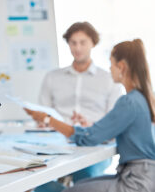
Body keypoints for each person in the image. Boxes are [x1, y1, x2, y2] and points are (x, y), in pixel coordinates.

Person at [30, 39, 155, 192]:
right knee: (77, 186)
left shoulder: (128, 102)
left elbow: (88, 137)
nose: (109, 69)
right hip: (141, 177)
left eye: (111, 64)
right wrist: (93, 128)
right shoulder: (141, 98)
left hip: (135, 182)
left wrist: (47, 119)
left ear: (121, 66)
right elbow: (113, 132)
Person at [25, 22, 122, 191]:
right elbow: (43, 113)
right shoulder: (52, 77)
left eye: (82, 42)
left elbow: (113, 124)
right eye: (73, 42)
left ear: (93, 43)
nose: (77, 48)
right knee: (32, 178)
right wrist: (42, 121)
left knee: (86, 176)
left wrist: (90, 126)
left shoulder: (109, 80)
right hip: (56, 143)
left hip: (94, 145)